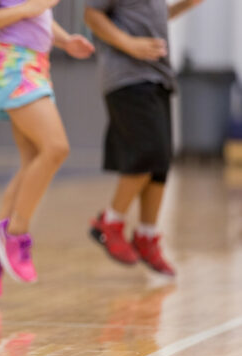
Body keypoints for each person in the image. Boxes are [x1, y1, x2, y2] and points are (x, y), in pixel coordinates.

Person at [0, 0, 95, 297]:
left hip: (37, 63)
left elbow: (39, 14)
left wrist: (64, 40)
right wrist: (29, 8)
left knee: (34, 159)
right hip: (13, 65)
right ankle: (14, 233)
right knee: (56, 148)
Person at [85, 0, 204, 276]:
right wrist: (128, 43)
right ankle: (109, 223)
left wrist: (184, 6)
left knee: (160, 163)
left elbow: (151, 16)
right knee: (147, 154)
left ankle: (146, 236)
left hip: (157, 76)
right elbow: (92, 14)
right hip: (128, 77)